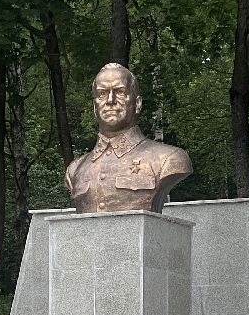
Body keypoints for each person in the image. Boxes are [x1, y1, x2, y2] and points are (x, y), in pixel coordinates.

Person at [65, 62, 193, 213]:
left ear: (137, 104)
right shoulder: (75, 169)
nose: (110, 100)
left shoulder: (169, 159)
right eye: (102, 94)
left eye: (119, 92)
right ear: (94, 107)